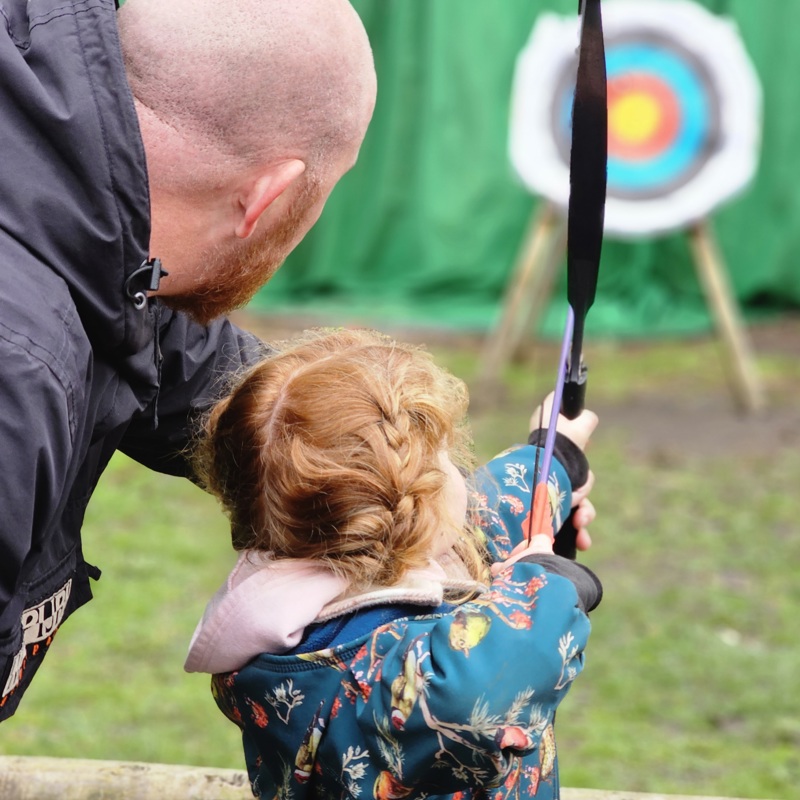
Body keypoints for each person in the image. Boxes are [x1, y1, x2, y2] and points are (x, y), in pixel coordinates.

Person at [0, 0, 376, 720]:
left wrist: (468, 497)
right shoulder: (13, 372)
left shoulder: (70, 184)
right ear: (267, 197)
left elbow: (185, 365)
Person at [185, 328, 601, 800]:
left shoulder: (279, 604)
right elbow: (472, 693)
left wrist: (553, 459)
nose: (458, 475)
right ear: (415, 508)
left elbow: (479, 517)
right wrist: (545, 583)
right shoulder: (369, 672)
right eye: (444, 460)